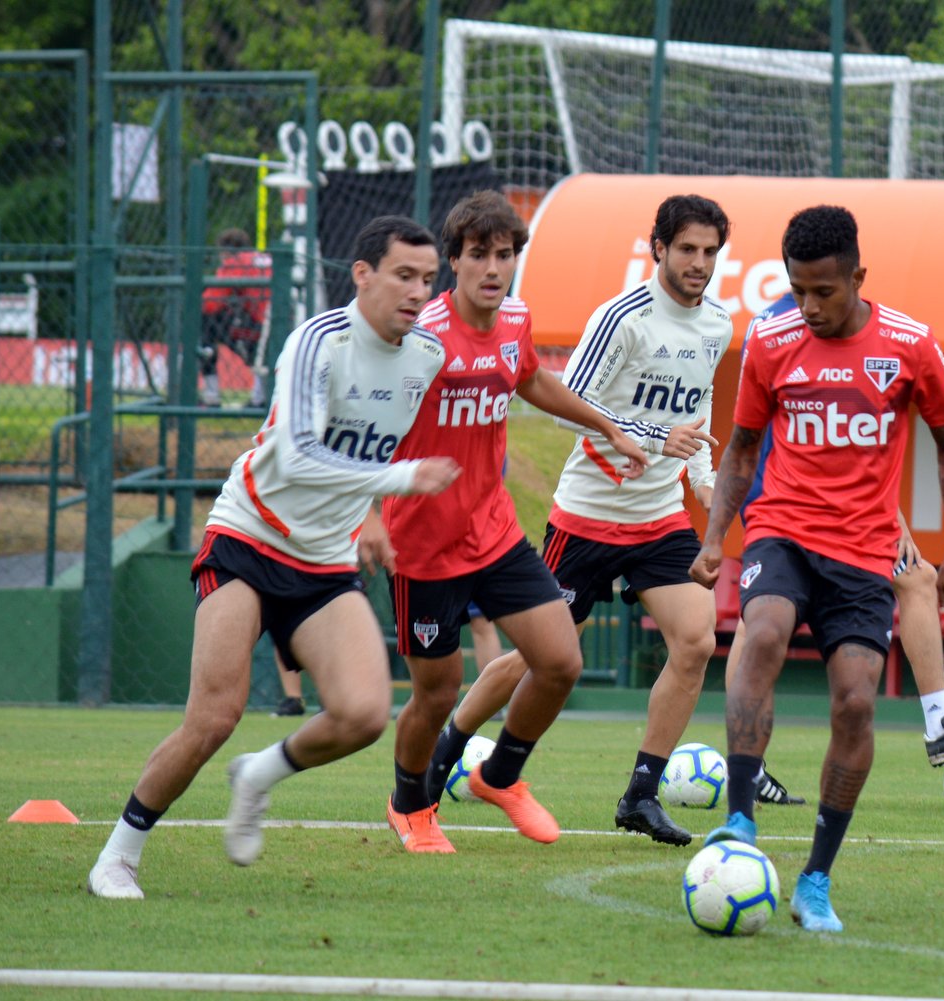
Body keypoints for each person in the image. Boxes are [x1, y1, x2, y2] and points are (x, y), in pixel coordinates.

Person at [87, 216, 461, 900]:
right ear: (363, 274)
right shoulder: (318, 341)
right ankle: (118, 856)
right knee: (213, 715)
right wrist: (396, 485)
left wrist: (373, 508)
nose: (417, 291)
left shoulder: (427, 355)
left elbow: (380, 446)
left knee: (363, 714)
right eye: (404, 275)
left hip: (323, 559)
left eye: (429, 280)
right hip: (249, 537)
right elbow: (300, 454)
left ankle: (258, 773)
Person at [381, 190, 717, 854]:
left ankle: (527, 778)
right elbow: (367, 426)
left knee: (570, 657)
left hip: (516, 529)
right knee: (441, 687)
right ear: (453, 261)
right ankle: (415, 795)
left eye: (504, 255)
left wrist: (629, 439)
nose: (493, 268)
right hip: (454, 535)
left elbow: (535, 380)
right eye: (479, 255)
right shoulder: (420, 336)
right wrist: (367, 511)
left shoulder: (515, 321)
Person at [690, 205, 944, 933]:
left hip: (862, 554)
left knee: (855, 702)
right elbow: (744, 446)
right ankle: (741, 818)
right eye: (798, 290)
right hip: (782, 531)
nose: (809, 307)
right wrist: (717, 534)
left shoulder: (910, 345)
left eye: (825, 291)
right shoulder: (771, 339)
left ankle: (815, 879)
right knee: (762, 634)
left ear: (858, 276)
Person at [722, 294, 944, 804]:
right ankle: (750, 765)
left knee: (915, 579)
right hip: (781, 498)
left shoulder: (862, 327)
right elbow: (778, 431)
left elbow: (852, 439)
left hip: (834, 505)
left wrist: (892, 514)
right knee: (762, 625)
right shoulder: (778, 326)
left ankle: (939, 723)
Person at [200, 227, 272, 408]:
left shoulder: (236, 261)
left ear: (226, 252)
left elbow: (210, 303)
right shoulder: (263, 257)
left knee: (204, 322)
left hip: (262, 325)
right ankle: (259, 395)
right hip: (285, 319)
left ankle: (212, 394)